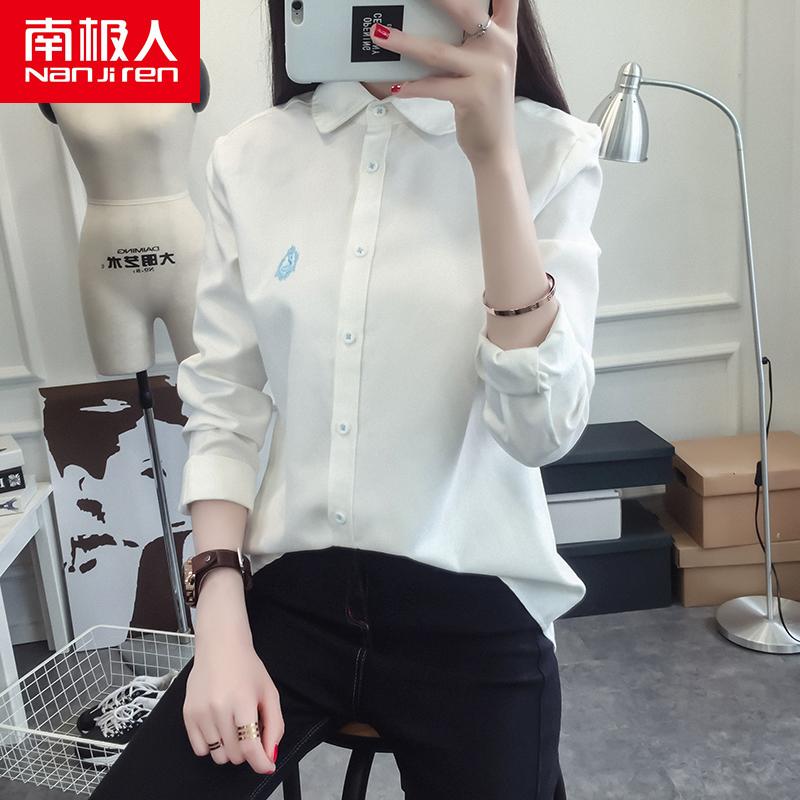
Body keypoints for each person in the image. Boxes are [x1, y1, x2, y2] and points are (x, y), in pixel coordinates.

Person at [90, 0, 603, 797]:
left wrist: (494, 159)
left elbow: (540, 432)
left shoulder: (551, 150)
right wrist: (219, 623)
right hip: (294, 597)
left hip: (474, 604)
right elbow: (225, 399)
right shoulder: (251, 159)